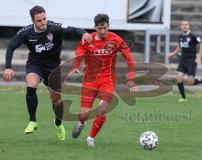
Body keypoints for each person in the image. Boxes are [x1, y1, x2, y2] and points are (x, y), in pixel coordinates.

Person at [3, 5, 92, 140]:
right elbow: (10, 47)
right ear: (33, 21)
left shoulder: (54, 28)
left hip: (53, 68)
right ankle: (32, 121)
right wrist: (8, 67)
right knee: (31, 84)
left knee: (56, 100)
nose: (43, 22)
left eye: (44, 18)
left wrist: (83, 33)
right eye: (39, 20)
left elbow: (71, 30)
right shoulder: (26, 32)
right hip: (35, 65)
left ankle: (58, 124)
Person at [69, 13, 137, 146]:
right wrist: (75, 66)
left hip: (108, 80)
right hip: (90, 80)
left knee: (102, 109)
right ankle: (82, 123)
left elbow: (129, 57)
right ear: (94, 27)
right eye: (100, 28)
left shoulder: (116, 40)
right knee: (84, 114)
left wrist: (131, 78)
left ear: (108, 26)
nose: (103, 31)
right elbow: (80, 53)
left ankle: (91, 138)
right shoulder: (88, 39)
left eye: (105, 28)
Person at [168, 20, 202, 102]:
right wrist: (173, 54)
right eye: (182, 25)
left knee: (189, 81)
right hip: (183, 59)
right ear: (181, 27)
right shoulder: (180, 36)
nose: (184, 26)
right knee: (178, 77)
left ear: (188, 26)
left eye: (186, 24)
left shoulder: (193, 35)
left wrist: (199, 57)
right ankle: (183, 98)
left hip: (191, 60)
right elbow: (180, 46)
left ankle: (201, 81)